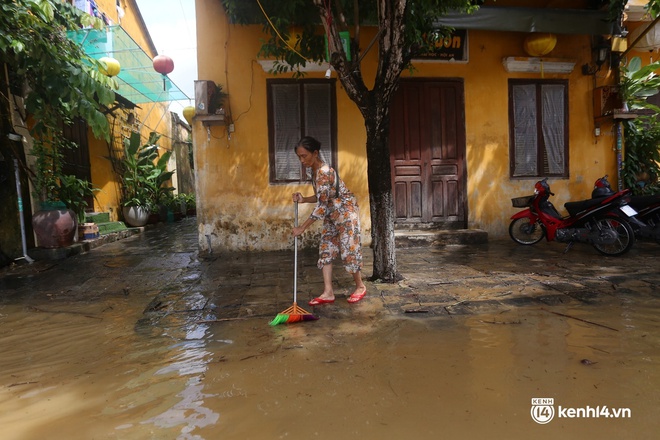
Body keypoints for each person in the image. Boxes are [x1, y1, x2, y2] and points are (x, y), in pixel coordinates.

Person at [291, 136, 367, 305]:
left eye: (304, 156)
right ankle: (328, 292)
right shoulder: (315, 172)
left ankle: (360, 286)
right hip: (332, 215)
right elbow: (322, 198)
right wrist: (303, 199)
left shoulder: (324, 172)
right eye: (299, 157)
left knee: (349, 251)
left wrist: (302, 228)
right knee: (326, 249)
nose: (302, 160)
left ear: (315, 153)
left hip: (346, 215)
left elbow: (322, 206)